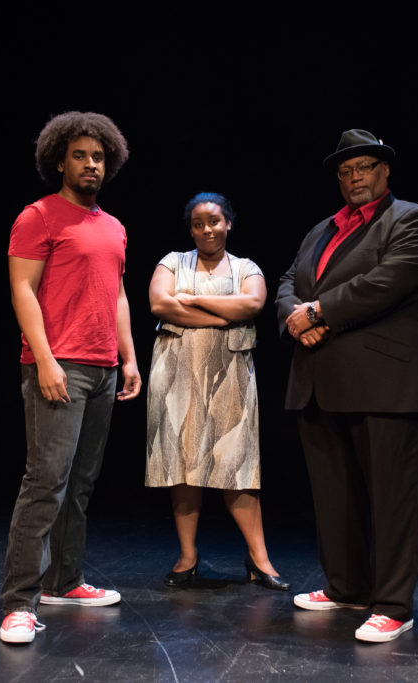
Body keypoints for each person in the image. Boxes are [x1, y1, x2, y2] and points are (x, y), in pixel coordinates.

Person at [275, 129, 418, 643]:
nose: (354, 178)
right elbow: (288, 280)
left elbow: (391, 279)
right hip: (320, 380)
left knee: (392, 499)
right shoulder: (321, 229)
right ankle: (346, 586)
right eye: (345, 172)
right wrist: (294, 317)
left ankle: (393, 604)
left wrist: (319, 311)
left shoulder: (411, 219)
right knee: (334, 495)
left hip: (386, 382)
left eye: (363, 168)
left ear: (385, 171)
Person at [0, 111, 141, 644]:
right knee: (45, 484)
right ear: (59, 160)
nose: (90, 165)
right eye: (80, 155)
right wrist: (45, 359)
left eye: (98, 157)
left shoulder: (114, 227)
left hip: (104, 369)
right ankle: (18, 603)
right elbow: (23, 290)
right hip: (59, 366)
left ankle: (65, 580)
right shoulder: (39, 216)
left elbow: (118, 295)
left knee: (80, 484)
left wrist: (128, 359)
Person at [145, 192, 288, 592]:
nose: (206, 229)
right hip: (175, 376)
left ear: (229, 223)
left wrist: (191, 300)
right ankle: (188, 557)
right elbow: (159, 303)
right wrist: (221, 314)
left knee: (236, 466)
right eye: (197, 223)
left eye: (214, 221)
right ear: (190, 228)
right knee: (182, 466)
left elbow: (253, 303)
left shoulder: (246, 267)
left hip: (230, 376)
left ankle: (260, 559)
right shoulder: (172, 262)